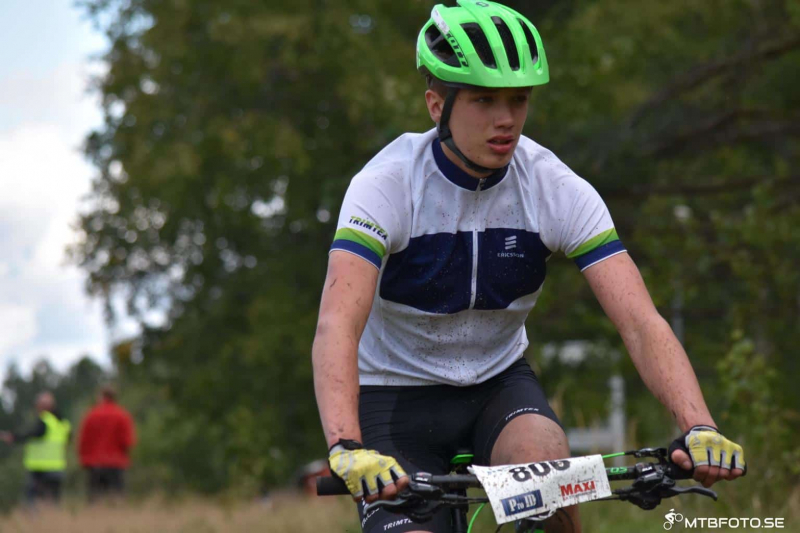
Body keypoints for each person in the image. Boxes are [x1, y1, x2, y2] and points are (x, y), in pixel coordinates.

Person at [312, 2, 747, 532]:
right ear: (436, 105)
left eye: (518, 100)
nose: (506, 119)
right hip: (394, 395)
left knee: (549, 482)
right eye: (483, 100)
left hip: (498, 388)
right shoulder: (386, 185)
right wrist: (345, 443)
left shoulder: (553, 186)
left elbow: (639, 321)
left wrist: (699, 425)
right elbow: (338, 322)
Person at [0, 391, 71, 505]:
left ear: (43, 406)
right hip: (57, 467)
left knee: (33, 502)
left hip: (40, 469)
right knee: (53, 502)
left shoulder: (45, 420)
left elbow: (32, 434)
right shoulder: (63, 423)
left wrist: (13, 437)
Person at [77, 385, 136, 501]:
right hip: (116, 464)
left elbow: (83, 441)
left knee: (95, 500)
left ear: (101, 397)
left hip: (95, 464)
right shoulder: (122, 415)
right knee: (116, 500)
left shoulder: (91, 415)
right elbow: (128, 442)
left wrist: (84, 459)